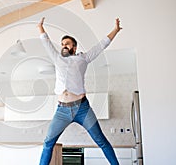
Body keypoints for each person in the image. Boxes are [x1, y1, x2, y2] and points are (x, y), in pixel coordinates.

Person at [38, 17, 122, 165]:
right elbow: (46, 43)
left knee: (100, 140)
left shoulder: (83, 58)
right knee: (48, 142)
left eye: (67, 44)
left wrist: (115, 30)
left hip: (82, 109)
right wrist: (40, 28)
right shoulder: (57, 58)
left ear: (74, 47)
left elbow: (101, 46)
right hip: (62, 111)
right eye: (62, 44)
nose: (63, 46)